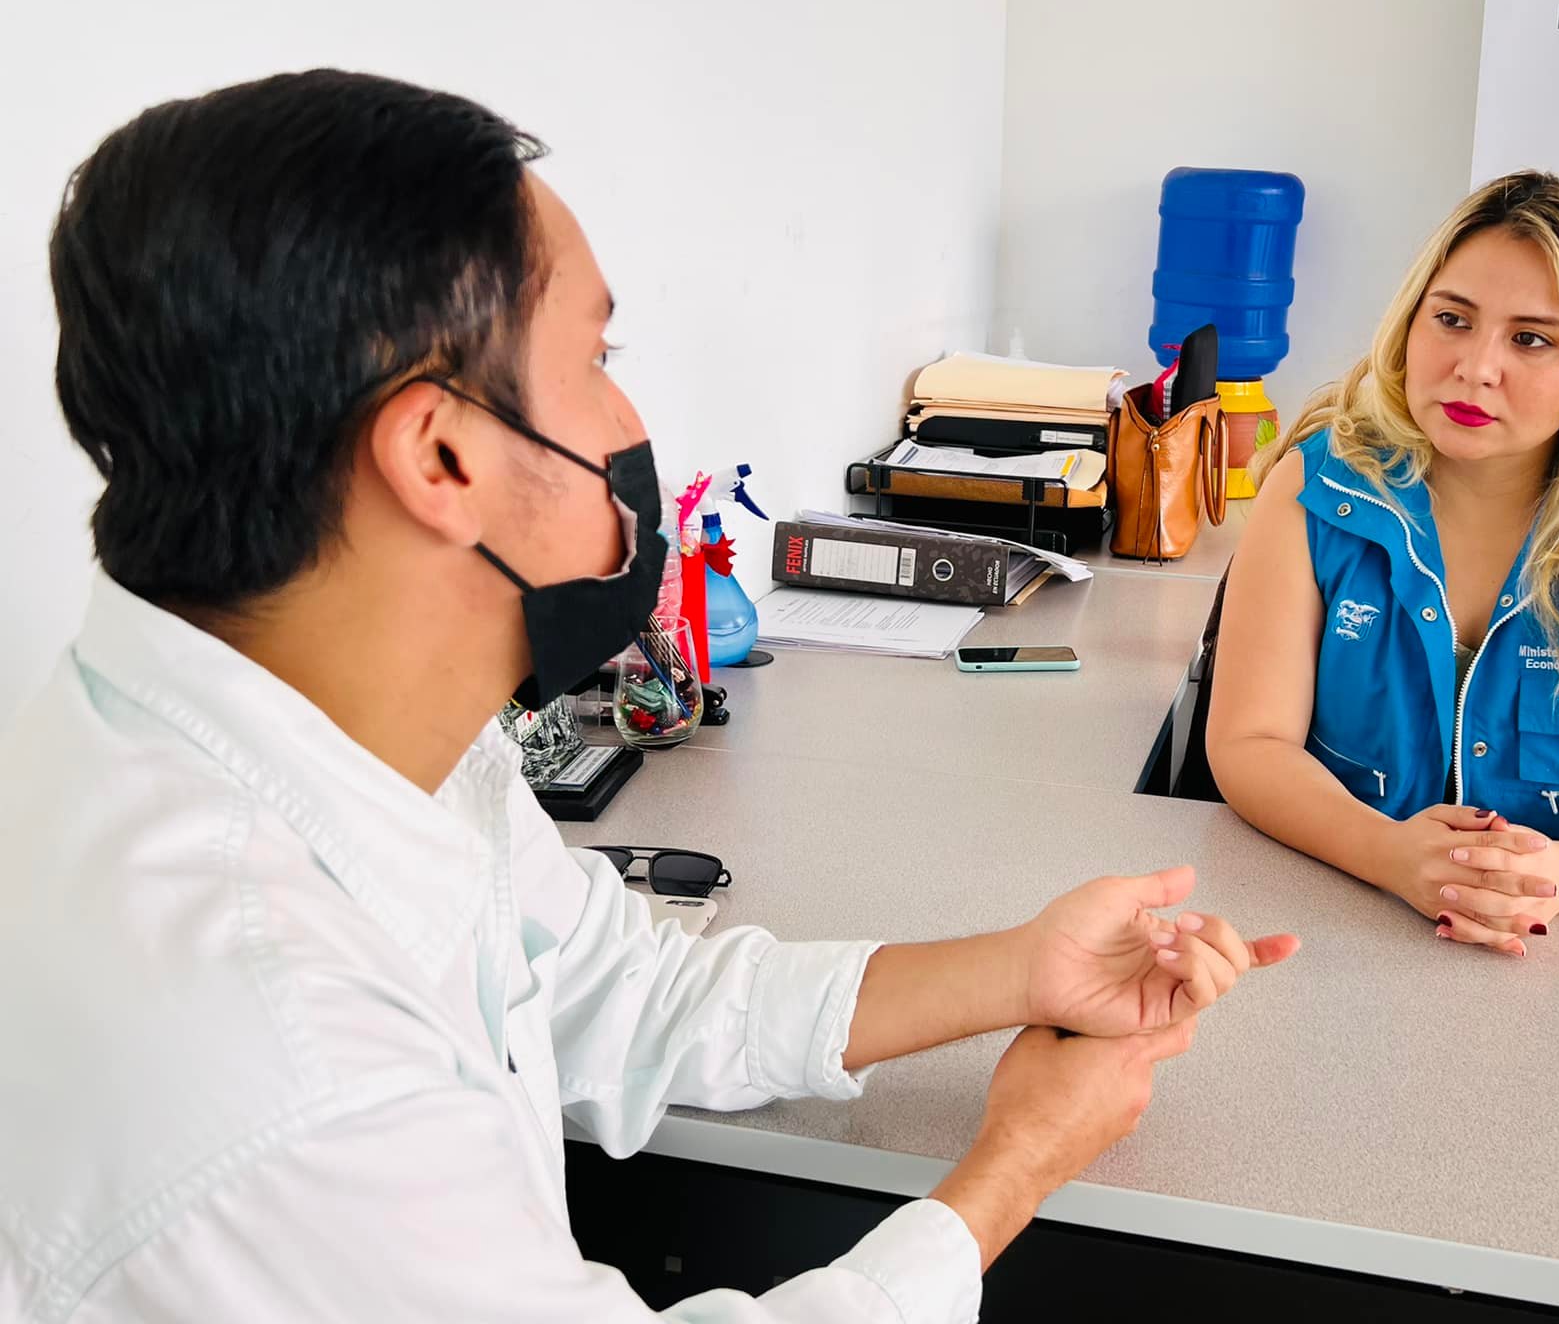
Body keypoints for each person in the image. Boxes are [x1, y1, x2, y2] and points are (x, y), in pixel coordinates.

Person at [0, 70, 1298, 1322]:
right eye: (597, 355)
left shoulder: (346, 740)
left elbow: (620, 992)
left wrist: (1020, 970)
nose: (627, 413)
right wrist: (1011, 1169)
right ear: (440, 455)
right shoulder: (269, 1047)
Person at [1206, 171, 1559, 957]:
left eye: (1531, 339)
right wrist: (1387, 854)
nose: (1475, 367)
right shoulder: (1313, 486)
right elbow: (1250, 743)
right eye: (1452, 319)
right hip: (1336, 926)